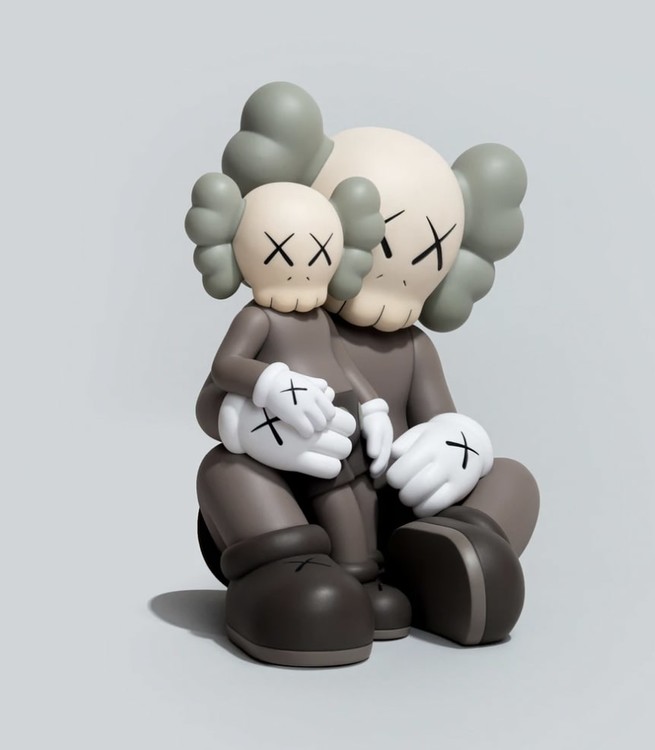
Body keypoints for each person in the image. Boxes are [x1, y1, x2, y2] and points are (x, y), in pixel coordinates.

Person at [192, 82, 539, 664]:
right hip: (299, 502)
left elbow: (435, 415)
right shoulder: (290, 322)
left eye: (430, 251)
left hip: (394, 503)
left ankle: (452, 551)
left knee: (513, 477)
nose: (396, 265)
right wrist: (247, 423)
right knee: (224, 470)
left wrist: (458, 444)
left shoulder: (415, 347)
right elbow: (211, 401)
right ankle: (285, 573)